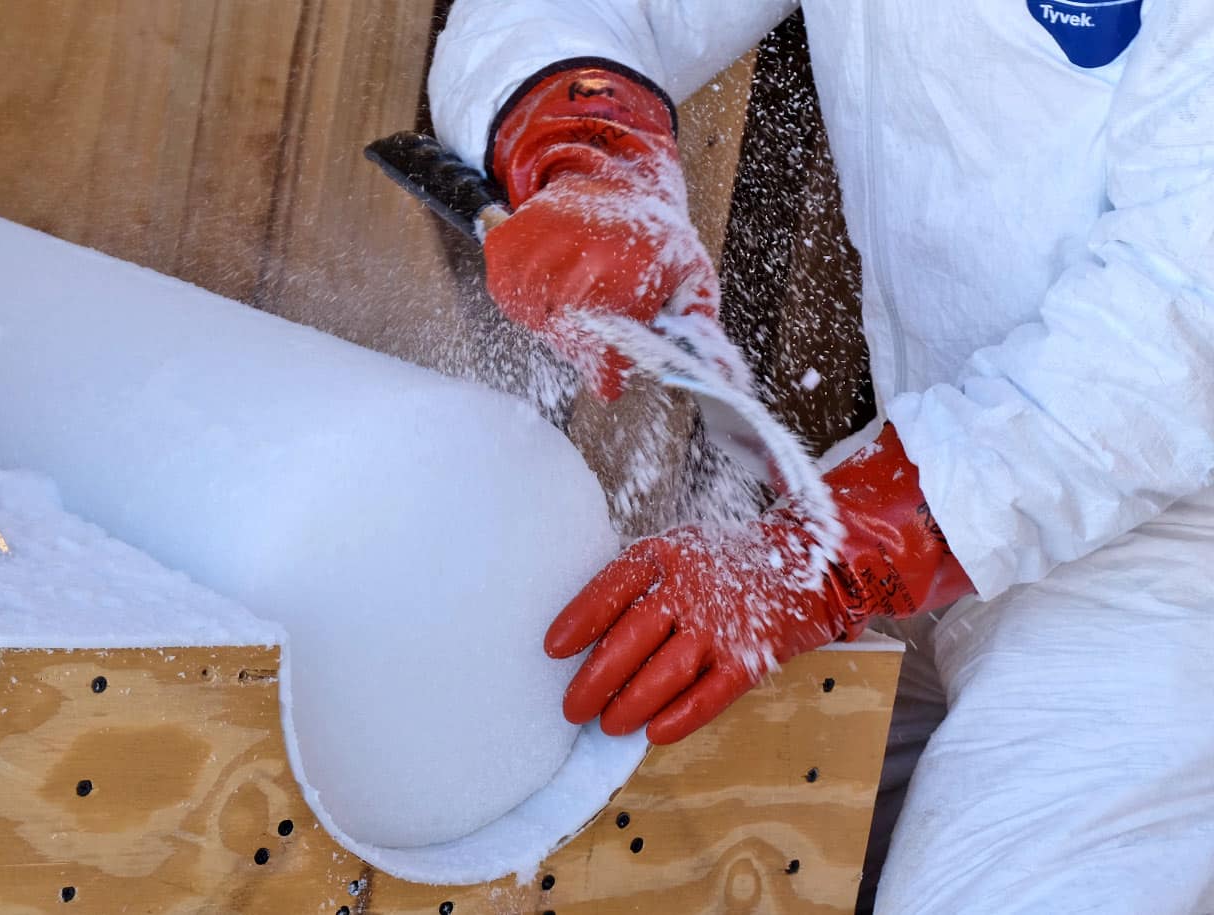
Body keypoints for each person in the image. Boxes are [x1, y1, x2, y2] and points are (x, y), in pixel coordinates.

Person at [428, 2, 1214, 911]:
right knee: (670, 829)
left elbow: (1187, 311)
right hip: (951, 478)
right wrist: (588, 145)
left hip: (1169, 553)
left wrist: (829, 554)